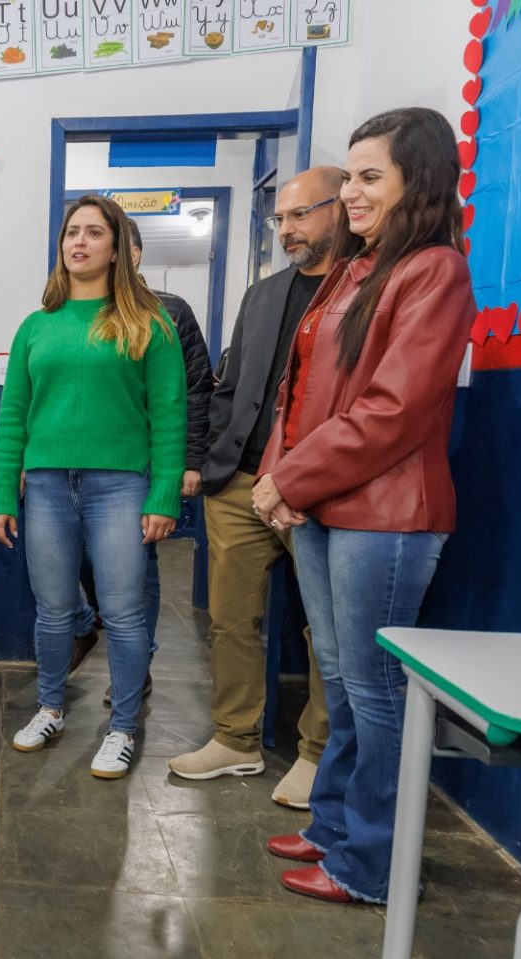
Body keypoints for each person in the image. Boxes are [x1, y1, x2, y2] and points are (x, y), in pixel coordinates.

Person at [254, 108, 475, 903]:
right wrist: (282, 479)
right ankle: (334, 826)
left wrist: (291, 480)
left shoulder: (435, 271)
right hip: (324, 504)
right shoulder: (359, 268)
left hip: (385, 515)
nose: (351, 192)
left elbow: (393, 410)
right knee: (345, 682)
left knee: (376, 691)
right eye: (349, 176)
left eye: (370, 176)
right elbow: (299, 391)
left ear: (421, 181)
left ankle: (371, 864)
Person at [166, 167, 348, 810]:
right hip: (239, 481)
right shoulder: (263, 294)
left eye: (301, 214)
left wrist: (301, 475)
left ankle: (319, 754)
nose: (287, 229)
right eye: (280, 219)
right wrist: (215, 459)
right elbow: (229, 383)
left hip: (318, 488)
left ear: (341, 207)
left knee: (326, 630)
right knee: (230, 620)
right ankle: (235, 739)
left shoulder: (366, 286)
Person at [0, 193, 186, 780]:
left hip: (120, 488)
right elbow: (12, 419)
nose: (79, 242)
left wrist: (164, 495)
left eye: (94, 232)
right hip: (47, 487)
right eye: (72, 232)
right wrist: (1, 493)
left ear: (117, 248)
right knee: (53, 611)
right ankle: (50, 708)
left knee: (123, 614)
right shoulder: (36, 326)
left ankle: (122, 727)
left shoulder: (150, 324)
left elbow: (169, 415)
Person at [69, 217, 213, 707]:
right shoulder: (75, 310)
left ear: (132, 255)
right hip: (81, 465)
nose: (86, 246)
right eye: (78, 236)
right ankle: (85, 625)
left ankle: (136, 666)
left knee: (137, 569)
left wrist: (189, 463)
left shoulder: (167, 312)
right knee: (76, 558)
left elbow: (196, 390)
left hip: (146, 463)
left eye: (105, 239)